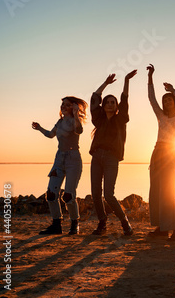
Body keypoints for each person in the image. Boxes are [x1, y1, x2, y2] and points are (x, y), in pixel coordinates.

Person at [89, 70, 136, 236]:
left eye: (112, 102)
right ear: (104, 105)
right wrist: (106, 83)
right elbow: (95, 98)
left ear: (116, 107)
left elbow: (124, 100)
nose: (110, 104)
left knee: (108, 194)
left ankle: (124, 222)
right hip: (96, 157)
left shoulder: (120, 120)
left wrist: (126, 81)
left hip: (111, 158)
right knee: (95, 193)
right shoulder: (99, 119)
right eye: (107, 102)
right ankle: (102, 222)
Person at [32, 96, 88, 235]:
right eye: (62, 104)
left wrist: (75, 114)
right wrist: (39, 128)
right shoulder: (60, 122)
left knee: (68, 196)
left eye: (67, 105)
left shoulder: (76, 121)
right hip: (59, 159)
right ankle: (56, 224)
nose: (63, 106)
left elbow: (80, 131)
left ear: (74, 107)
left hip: (73, 160)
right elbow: (51, 135)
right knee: (51, 194)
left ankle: (75, 223)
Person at [147, 63, 175, 240]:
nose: (166, 102)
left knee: (170, 192)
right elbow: (151, 98)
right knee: (156, 192)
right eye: (165, 100)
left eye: (169, 99)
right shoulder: (160, 116)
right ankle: (162, 228)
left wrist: (173, 90)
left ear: (174, 102)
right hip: (157, 153)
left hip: (171, 154)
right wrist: (150, 77)